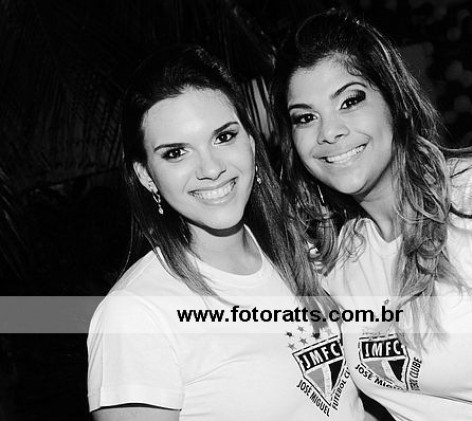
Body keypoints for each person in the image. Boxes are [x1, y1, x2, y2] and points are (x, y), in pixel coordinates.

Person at [271, 10, 472, 421]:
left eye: (350, 100)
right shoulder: (342, 258)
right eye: (305, 118)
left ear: (395, 101)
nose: (329, 132)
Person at [87, 44, 365, 421]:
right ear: (146, 176)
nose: (211, 168)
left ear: (250, 142)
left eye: (223, 137)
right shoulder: (136, 315)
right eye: (176, 153)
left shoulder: (302, 253)